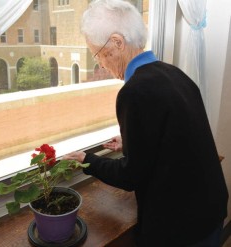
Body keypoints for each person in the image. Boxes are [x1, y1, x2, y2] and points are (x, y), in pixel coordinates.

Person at [63, 0, 229, 246]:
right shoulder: (173, 73)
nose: (100, 64)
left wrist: (87, 160)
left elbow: (131, 176)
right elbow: (178, 135)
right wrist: (130, 141)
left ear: (117, 43)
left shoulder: (135, 92)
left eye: (98, 54)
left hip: (183, 227)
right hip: (210, 206)